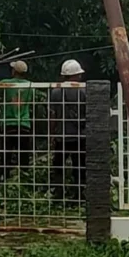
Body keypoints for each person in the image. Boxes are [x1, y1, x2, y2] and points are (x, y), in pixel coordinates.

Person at [48, 60, 87, 200]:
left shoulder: (56, 91)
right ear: (76, 75)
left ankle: (58, 193)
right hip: (79, 136)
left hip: (61, 136)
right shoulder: (83, 90)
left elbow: (53, 115)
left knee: (58, 166)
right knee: (80, 166)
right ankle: (79, 194)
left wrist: (52, 135)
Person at [0, 60, 36, 170]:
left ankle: (4, 178)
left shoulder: (5, 83)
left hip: (8, 125)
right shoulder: (31, 86)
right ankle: (24, 178)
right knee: (24, 157)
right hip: (24, 125)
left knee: (5, 156)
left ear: (14, 71)